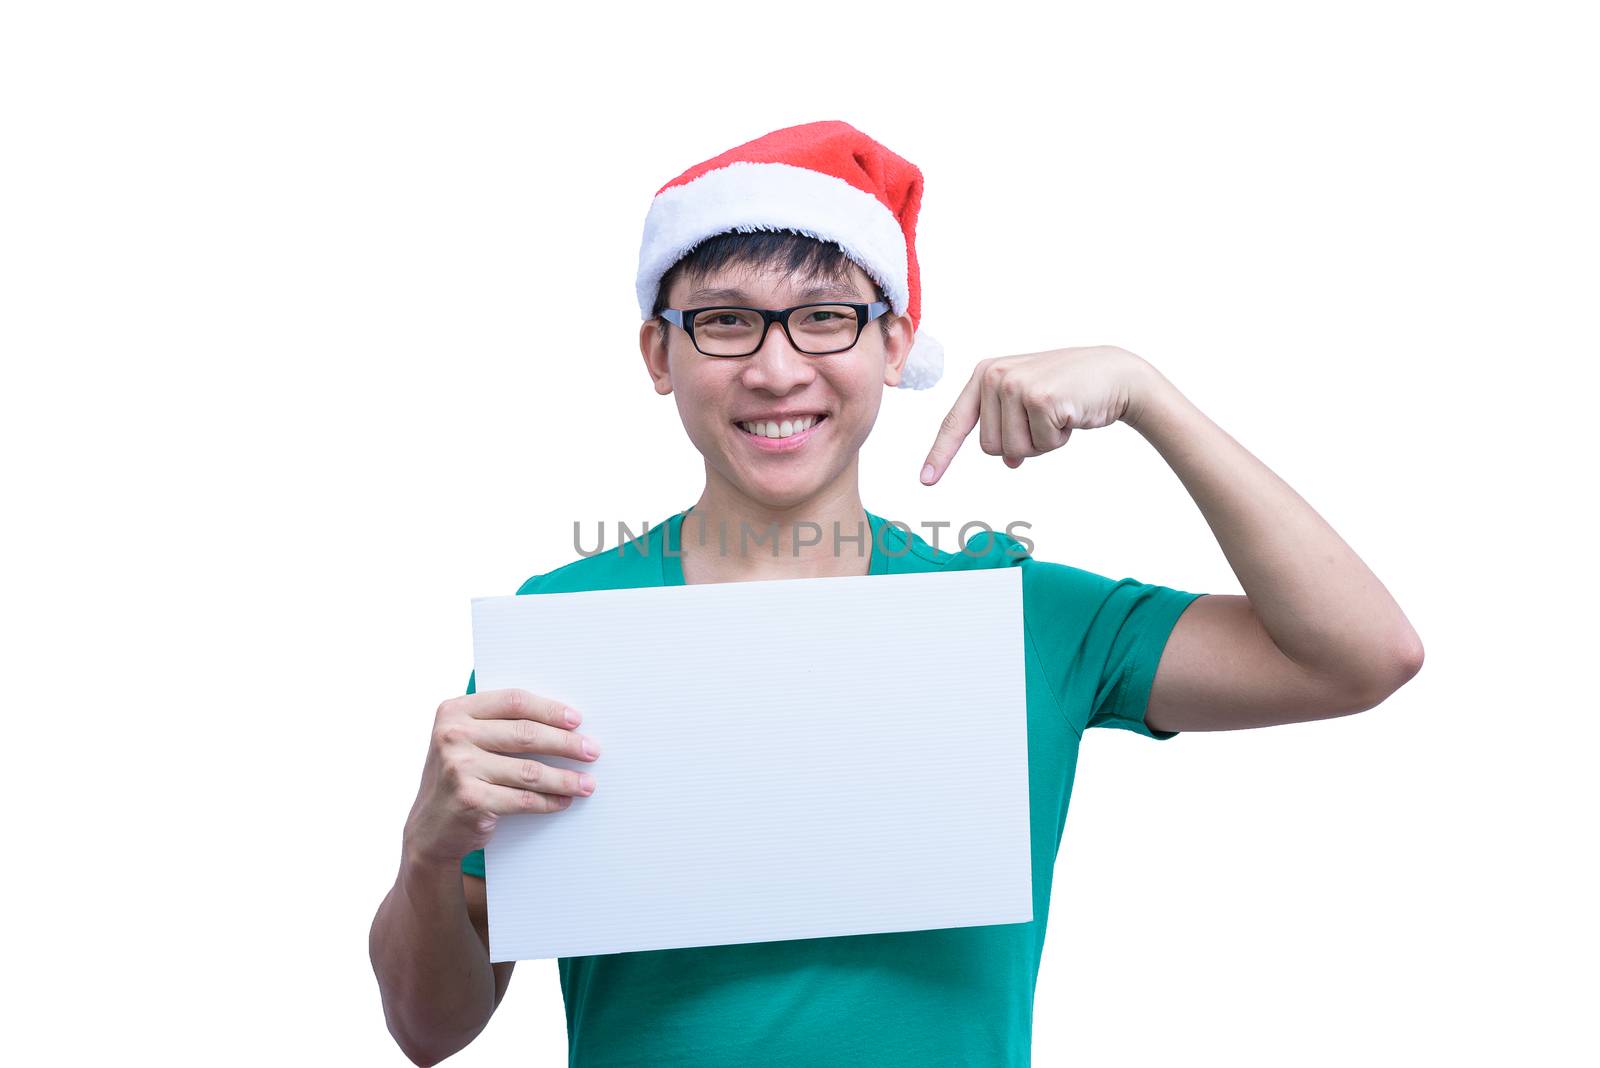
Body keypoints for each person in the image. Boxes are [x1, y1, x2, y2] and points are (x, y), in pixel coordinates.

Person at [368, 120, 1423, 1067]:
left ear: (894, 344)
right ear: (660, 353)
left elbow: (1363, 654)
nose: (778, 370)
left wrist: (1148, 394)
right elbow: (429, 1033)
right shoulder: (566, 630)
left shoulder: (1016, 617)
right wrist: (425, 852)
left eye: (825, 317)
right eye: (725, 323)